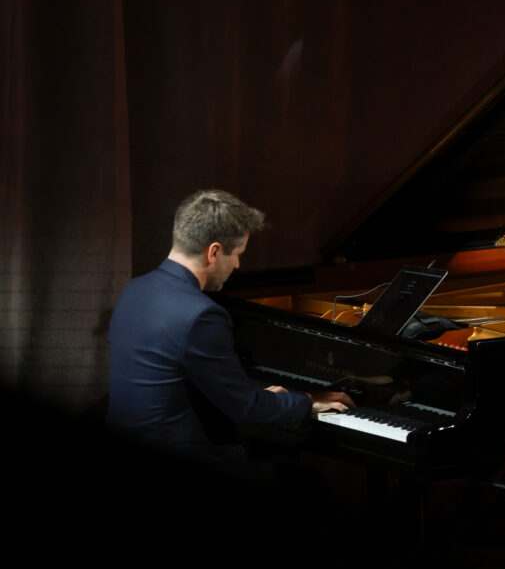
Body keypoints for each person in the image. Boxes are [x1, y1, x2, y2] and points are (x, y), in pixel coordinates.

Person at [107, 189, 353, 470]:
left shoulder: (134, 289)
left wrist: (258, 397)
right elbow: (244, 409)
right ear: (214, 251)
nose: (237, 265)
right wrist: (307, 401)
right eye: (237, 254)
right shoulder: (201, 314)